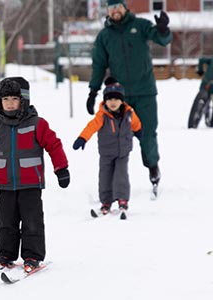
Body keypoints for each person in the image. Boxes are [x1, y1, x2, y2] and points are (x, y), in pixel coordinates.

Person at [0, 77, 69, 272]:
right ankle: (5, 254)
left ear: (23, 100)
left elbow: (54, 145)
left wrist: (62, 169)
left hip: (30, 185)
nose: (9, 103)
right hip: (5, 185)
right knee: (6, 223)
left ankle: (32, 255)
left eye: (14, 99)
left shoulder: (37, 124)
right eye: (5, 99)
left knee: (32, 222)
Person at [85, 0, 172, 189]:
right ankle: (116, 176)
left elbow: (161, 39)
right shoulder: (104, 36)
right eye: (111, 8)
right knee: (116, 136)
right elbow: (99, 65)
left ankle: (152, 166)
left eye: (118, 6)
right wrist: (93, 91)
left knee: (147, 133)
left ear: (125, 8)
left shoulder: (140, 26)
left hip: (145, 92)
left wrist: (164, 29)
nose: (115, 11)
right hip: (119, 96)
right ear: (108, 11)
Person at [73, 77, 142, 214]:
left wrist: (139, 132)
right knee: (105, 176)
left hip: (123, 152)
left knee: (121, 175)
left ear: (122, 100)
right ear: (105, 100)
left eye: (116, 99)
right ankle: (105, 201)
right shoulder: (102, 115)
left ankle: (122, 199)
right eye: (109, 99)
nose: (113, 102)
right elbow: (91, 126)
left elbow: (136, 123)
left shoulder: (129, 113)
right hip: (106, 152)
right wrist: (82, 138)